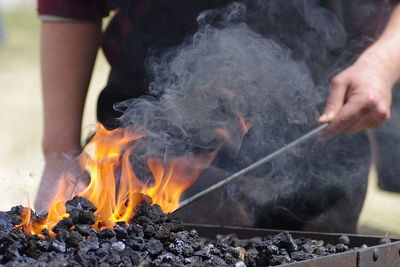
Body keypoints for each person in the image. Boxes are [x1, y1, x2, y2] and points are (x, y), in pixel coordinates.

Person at [35, 0, 400, 232]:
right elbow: (70, 7)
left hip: (319, 133)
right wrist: (58, 154)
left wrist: (383, 61)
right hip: (146, 131)